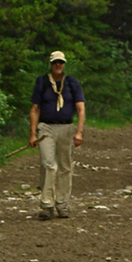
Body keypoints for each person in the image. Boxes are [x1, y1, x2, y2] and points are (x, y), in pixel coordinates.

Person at [28, 50, 86, 220]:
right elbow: (35, 109)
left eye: (61, 62)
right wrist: (33, 134)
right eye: (55, 63)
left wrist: (79, 132)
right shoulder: (42, 82)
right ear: (51, 64)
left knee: (65, 166)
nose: (58, 65)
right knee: (48, 164)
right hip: (46, 128)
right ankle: (47, 204)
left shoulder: (72, 83)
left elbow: (80, 108)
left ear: (64, 64)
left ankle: (62, 204)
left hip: (66, 127)